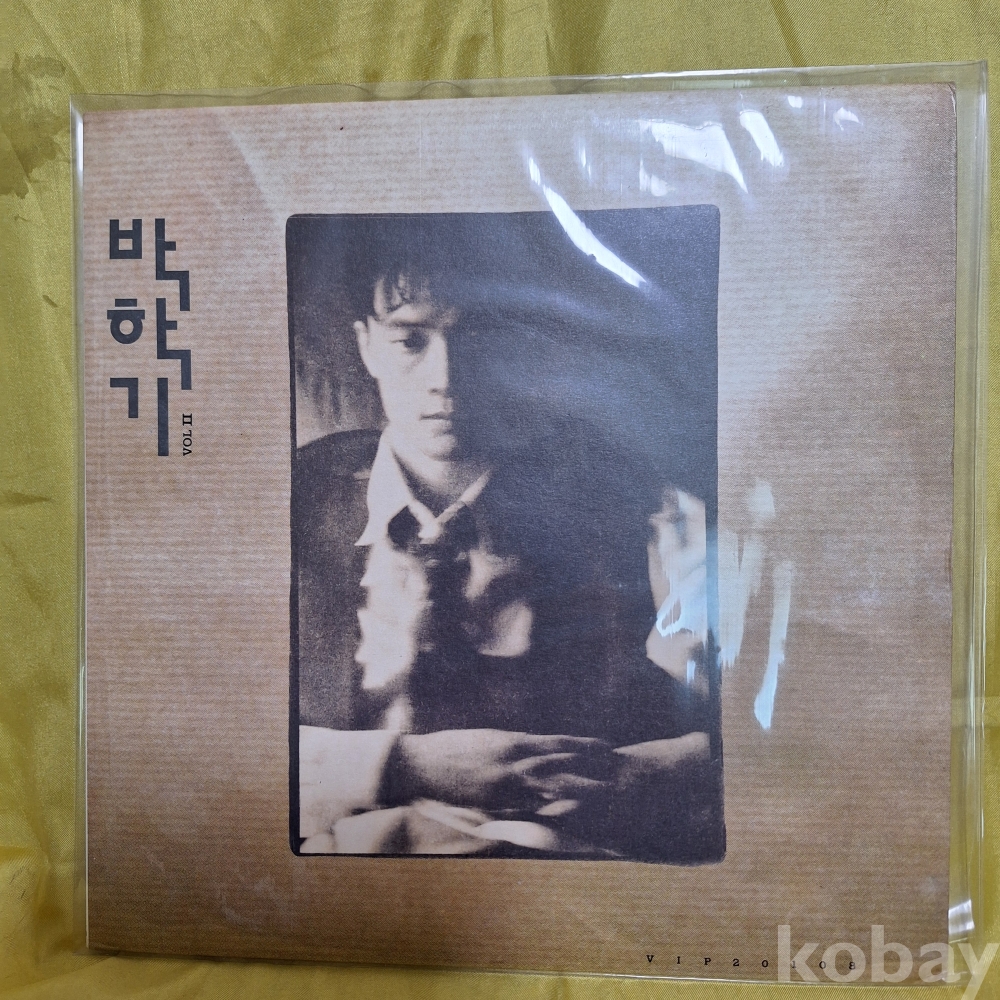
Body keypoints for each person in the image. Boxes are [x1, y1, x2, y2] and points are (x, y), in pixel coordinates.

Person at [292, 226, 724, 861]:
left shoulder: (644, 508)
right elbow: (212, 738)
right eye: (411, 340)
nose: (446, 378)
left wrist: (638, 776)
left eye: (480, 338)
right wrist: (402, 766)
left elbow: (749, 733)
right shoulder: (292, 502)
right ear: (366, 347)